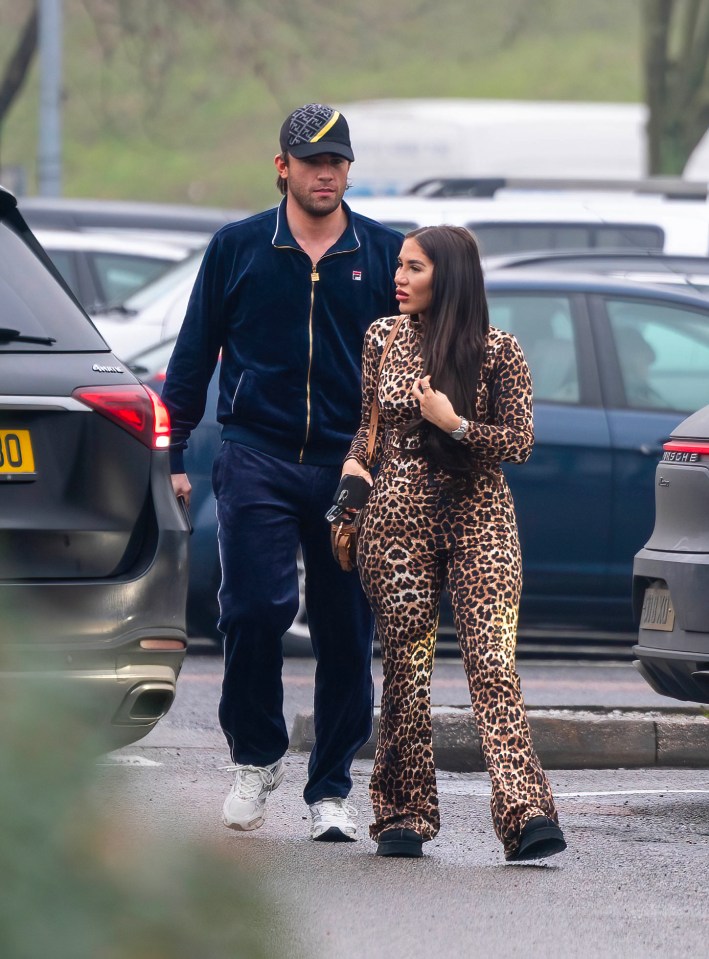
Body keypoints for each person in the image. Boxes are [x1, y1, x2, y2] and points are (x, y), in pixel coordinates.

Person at [161, 103, 401, 841]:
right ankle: (255, 756)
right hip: (256, 452)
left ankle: (329, 787)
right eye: (310, 161)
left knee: (343, 627)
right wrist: (175, 454)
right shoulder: (237, 247)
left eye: (336, 162)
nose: (324, 173)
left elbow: (416, 355)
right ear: (282, 167)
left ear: (348, 171)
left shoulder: (384, 252)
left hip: (350, 464)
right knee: (253, 610)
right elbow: (195, 351)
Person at [342, 225, 567, 861]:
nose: (400, 278)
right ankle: (403, 814)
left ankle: (525, 816)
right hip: (396, 522)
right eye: (400, 266)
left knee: (493, 664)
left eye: (414, 268)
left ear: (451, 275)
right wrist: (348, 494)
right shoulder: (382, 338)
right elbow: (368, 432)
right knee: (407, 672)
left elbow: (518, 443)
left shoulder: (500, 350)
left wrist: (454, 422)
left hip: (480, 519)